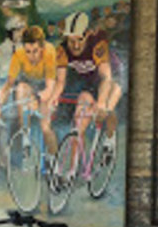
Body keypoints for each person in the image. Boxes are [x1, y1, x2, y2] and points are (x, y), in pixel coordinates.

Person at [51, 11, 122, 149]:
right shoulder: (62, 50)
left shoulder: (97, 45)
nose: (76, 46)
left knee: (106, 109)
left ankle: (110, 139)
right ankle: (76, 157)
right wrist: (53, 99)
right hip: (91, 81)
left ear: (88, 35)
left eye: (80, 40)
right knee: (79, 121)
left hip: (112, 77)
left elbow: (106, 77)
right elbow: (60, 81)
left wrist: (101, 102)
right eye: (71, 41)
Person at [0, 25, 59, 161]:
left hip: (46, 88)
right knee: (21, 88)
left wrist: (37, 100)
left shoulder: (49, 52)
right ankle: (25, 138)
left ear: (42, 48)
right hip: (30, 86)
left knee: (45, 128)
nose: (31, 56)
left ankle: (53, 159)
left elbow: (50, 88)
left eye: (35, 51)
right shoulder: (19, 54)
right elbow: (8, 85)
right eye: (28, 51)